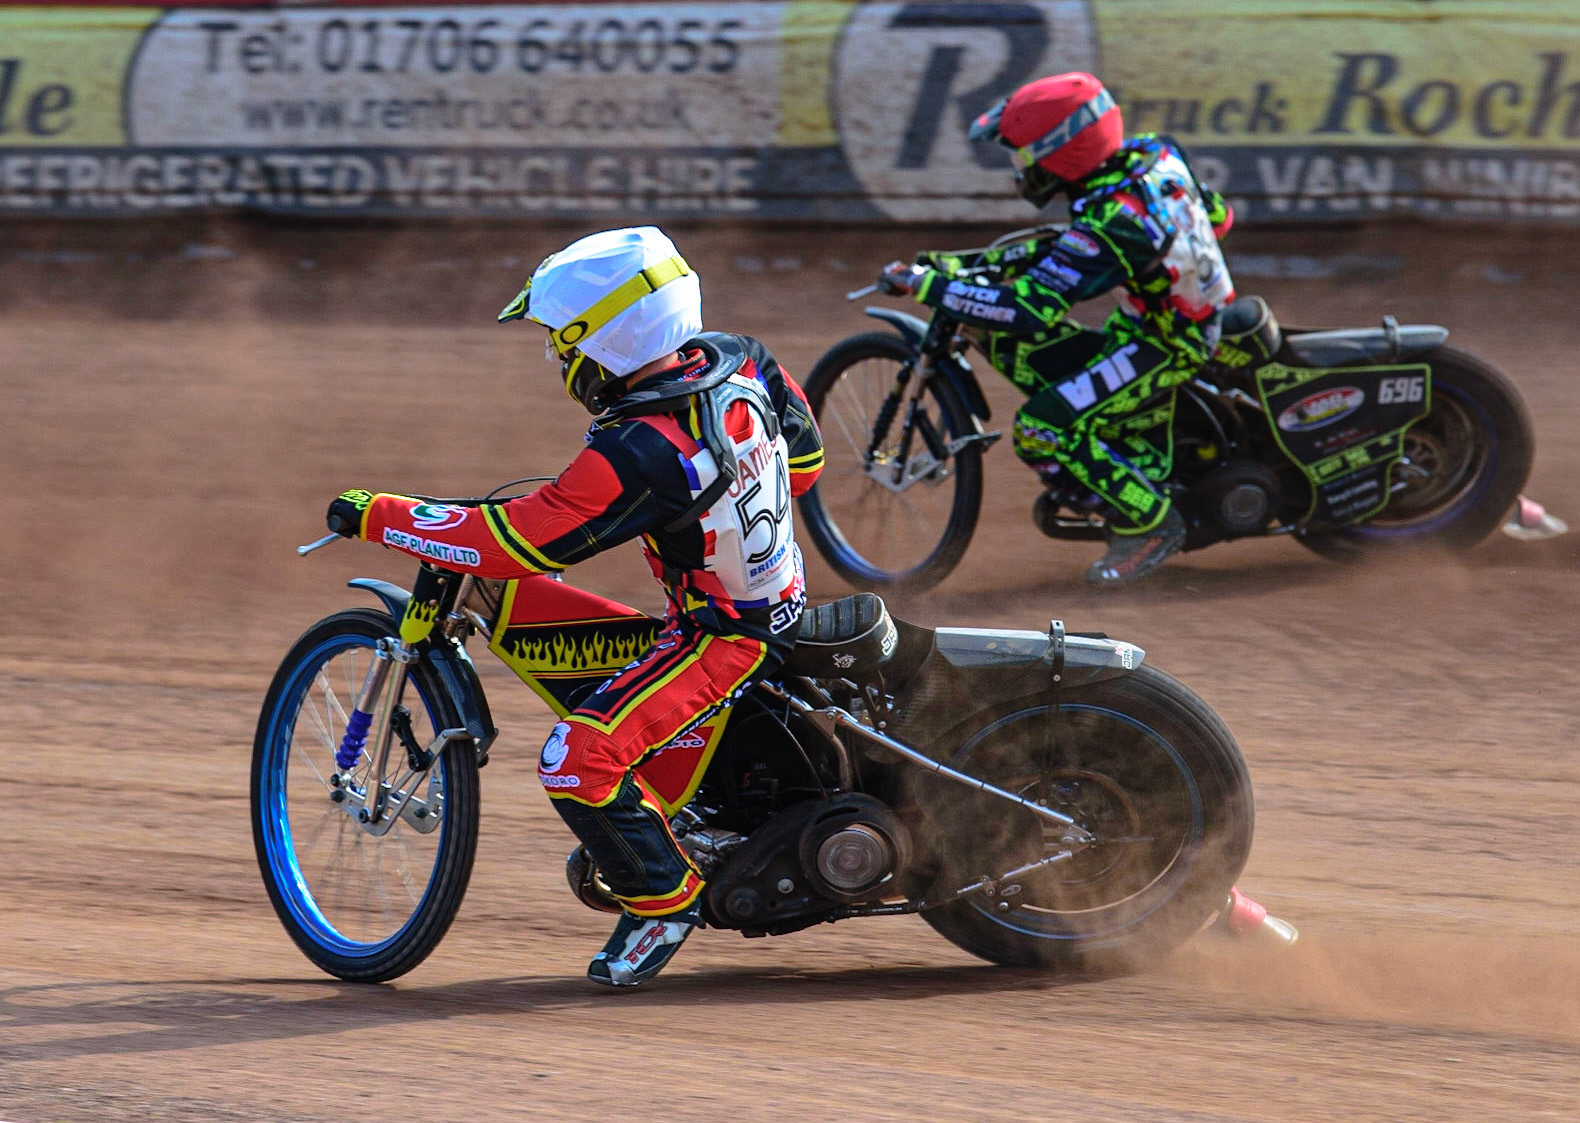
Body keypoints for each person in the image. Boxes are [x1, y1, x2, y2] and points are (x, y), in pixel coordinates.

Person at [324, 226, 824, 987]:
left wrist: (380, 514)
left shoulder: (640, 447)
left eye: (563, 338)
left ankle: (665, 902)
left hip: (725, 637)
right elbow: (808, 461)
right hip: (777, 597)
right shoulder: (740, 358)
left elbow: (517, 543)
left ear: (607, 340)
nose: (558, 354)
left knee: (576, 758)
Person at [879, 71, 1236, 587]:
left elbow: (1029, 310)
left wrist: (924, 285)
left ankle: (1152, 523)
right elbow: (1218, 216)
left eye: (1023, 154)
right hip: (1161, 317)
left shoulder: (1110, 224)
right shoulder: (1154, 154)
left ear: (1060, 152)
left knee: (1041, 430)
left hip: (1167, 343)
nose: (1018, 166)